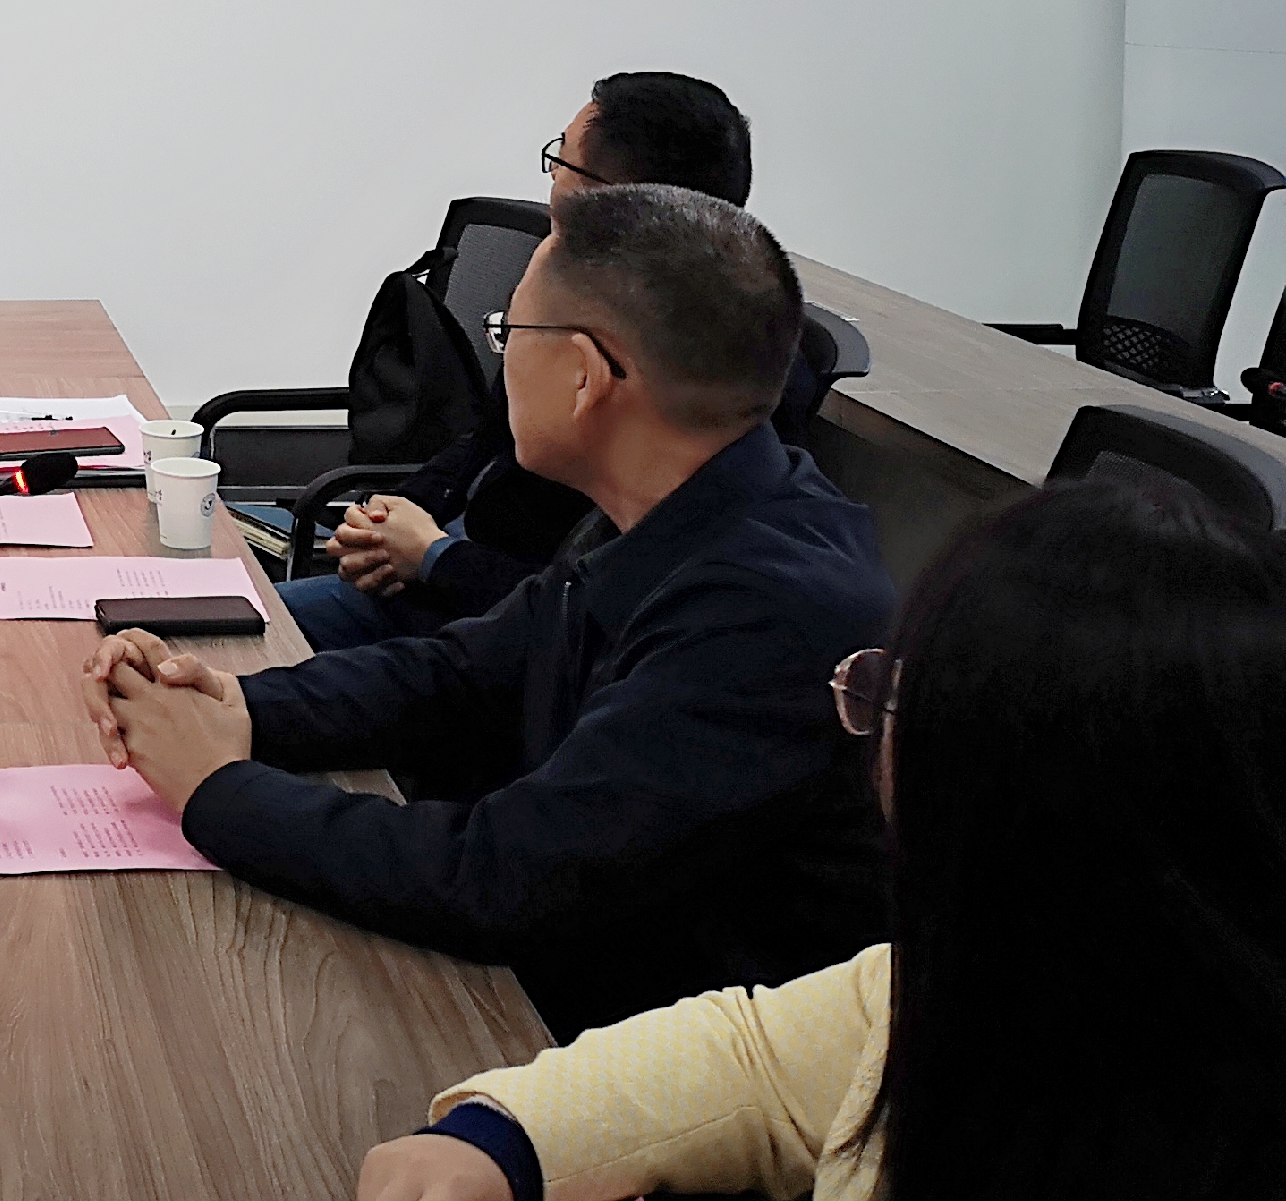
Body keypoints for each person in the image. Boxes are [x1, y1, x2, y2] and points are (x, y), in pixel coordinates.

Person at [349, 472, 1286, 1201]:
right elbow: (747, 1062)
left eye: (897, 701)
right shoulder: (968, 976)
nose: (874, 749)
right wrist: (501, 1141)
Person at [83, 184, 891, 1039]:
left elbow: (503, 879)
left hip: (651, 1058)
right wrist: (237, 704)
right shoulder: (683, 505)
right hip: (571, 985)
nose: (500, 363)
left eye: (509, 334)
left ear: (582, 374)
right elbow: (465, 672)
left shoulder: (768, 613)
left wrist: (217, 788)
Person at [285, 71, 802, 651]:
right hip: (445, 577)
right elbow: (484, 442)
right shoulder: (570, 295)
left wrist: (434, 557)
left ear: (613, 197)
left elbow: (574, 613)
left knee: (239, 638)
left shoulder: (693, 379)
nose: (552, 176)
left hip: (475, 611)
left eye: (563, 160)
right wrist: (389, 517)